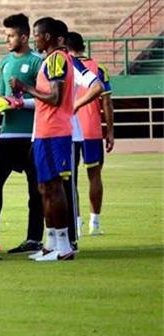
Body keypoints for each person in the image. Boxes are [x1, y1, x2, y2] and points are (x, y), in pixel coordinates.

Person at [10, 17, 76, 261]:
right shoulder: (51, 60)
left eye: (37, 35)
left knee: (54, 187)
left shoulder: (57, 59)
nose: (35, 39)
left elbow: (55, 97)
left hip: (54, 132)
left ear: (47, 37)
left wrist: (26, 87)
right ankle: (52, 244)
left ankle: (64, 246)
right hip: (45, 131)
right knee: (45, 187)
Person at [0, 13, 45, 254]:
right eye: (6, 35)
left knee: (36, 189)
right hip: (7, 135)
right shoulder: (5, 62)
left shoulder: (38, 62)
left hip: (31, 135)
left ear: (25, 37)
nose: (7, 40)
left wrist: (21, 103)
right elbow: (2, 96)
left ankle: (34, 239)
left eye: (11, 36)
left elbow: (47, 99)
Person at [66, 31, 113, 235]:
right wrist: (110, 132)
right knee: (94, 176)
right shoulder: (98, 68)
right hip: (92, 130)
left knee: (71, 179)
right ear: (83, 46)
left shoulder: (65, 65)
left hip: (70, 130)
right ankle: (95, 223)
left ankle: (76, 222)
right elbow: (107, 103)